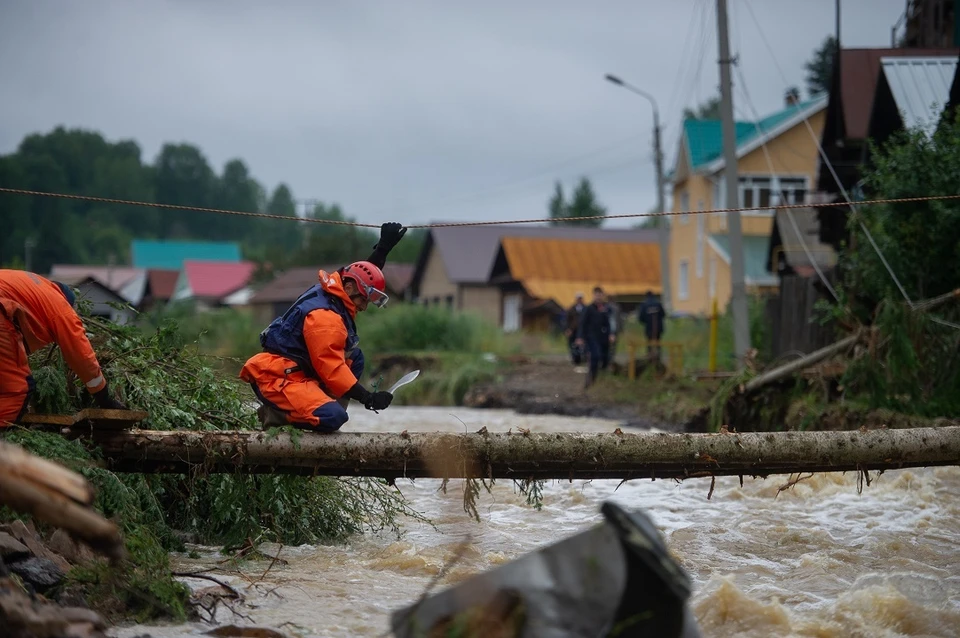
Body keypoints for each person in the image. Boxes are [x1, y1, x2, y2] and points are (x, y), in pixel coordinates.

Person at [240, 222, 407, 432]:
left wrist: (383, 247)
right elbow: (333, 371)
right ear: (347, 288)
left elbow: (360, 276)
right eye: (363, 301)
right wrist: (368, 398)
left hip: (298, 371)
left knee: (354, 358)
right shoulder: (326, 319)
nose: (364, 307)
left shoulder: (335, 289)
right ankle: (275, 415)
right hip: (278, 378)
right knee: (334, 417)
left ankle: (316, 410)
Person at [0, 269, 127, 426]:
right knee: (16, 390)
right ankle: (5, 442)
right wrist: (104, 398)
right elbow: (82, 356)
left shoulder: (35, 288)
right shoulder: (61, 307)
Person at [575, 286, 616, 389]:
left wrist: (611, 333)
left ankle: (600, 380)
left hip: (603, 337)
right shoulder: (589, 309)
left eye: (600, 295)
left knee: (605, 358)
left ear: (602, 296)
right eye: (596, 295)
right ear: (593, 296)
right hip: (591, 337)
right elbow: (582, 323)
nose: (598, 297)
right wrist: (580, 337)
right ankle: (591, 380)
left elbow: (609, 323)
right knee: (595, 357)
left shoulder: (605, 309)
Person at [637, 290, 666, 359]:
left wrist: (647, 322)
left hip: (649, 328)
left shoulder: (644, 304)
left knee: (649, 344)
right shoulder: (658, 303)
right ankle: (658, 358)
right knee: (658, 343)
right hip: (658, 328)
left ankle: (650, 358)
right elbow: (663, 314)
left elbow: (641, 318)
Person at [564, 292, 587, 365]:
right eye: (578, 298)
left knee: (584, 345)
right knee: (573, 345)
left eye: (580, 298)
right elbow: (567, 320)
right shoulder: (571, 309)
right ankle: (575, 359)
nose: (579, 300)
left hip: (583, 330)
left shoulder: (586, 309)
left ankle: (583, 358)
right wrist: (568, 329)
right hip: (573, 330)